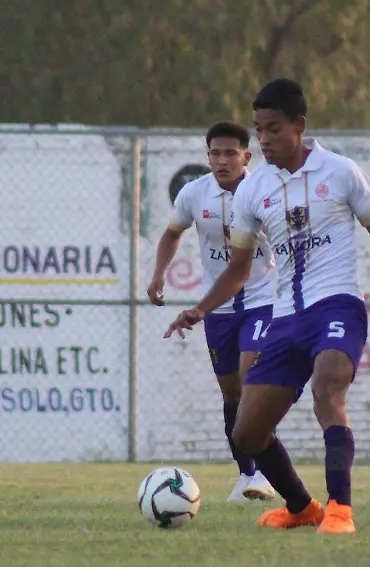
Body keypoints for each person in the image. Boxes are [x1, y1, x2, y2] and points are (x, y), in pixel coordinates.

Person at [164, 79, 370, 534]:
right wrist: (200, 308)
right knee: (247, 433)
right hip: (285, 319)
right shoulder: (253, 190)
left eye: (273, 129)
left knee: (327, 390)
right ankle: (302, 508)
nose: (264, 139)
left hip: (337, 307)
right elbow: (238, 269)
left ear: (299, 126)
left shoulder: (341, 172)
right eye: (259, 130)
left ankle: (340, 510)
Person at [148, 121, 278, 502]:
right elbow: (172, 233)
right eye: (215, 153)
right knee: (232, 393)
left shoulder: (264, 192)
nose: (222, 161)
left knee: (252, 379)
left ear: (246, 156)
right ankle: (247, 475)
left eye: (230, 153)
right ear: (207, 157)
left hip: (263, 299)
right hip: (219, 306)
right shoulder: (194, 193)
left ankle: (268, 472)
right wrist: (158, 274)